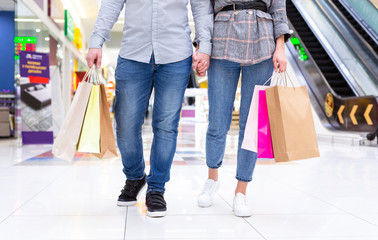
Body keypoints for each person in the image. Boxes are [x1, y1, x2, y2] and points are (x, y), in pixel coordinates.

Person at [86, 0, 213, 218]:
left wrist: (205, 47)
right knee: (125, 125)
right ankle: (135, 177)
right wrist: (96, 41)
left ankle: (156, 188)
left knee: (166, 126)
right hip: (133, 54)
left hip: (176, 56)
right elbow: (111, 4)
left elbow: (201, 7)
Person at [193, 0, 290, 217]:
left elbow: (279, 8)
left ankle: (241, 190)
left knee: (252, 124)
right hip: (222, 38)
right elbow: (203, 9)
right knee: (217, 120)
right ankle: (212, 179)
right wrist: (202, 46)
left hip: (262, 41)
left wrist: (281, 46)